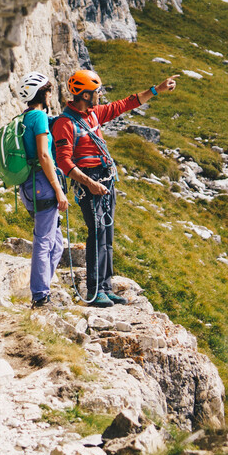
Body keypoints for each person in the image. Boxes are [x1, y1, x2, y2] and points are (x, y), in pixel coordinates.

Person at [52, 68, 178, 306]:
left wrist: (156, 90)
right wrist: (90, 184)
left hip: (105, 178)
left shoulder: (93, 114)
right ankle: (94, 290)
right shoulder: (65, 123)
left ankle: (106, 287)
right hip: (89, 180)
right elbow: (64, 161)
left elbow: (125, 104)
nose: (100, 94)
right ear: (86, 95)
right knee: (97, 232)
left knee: (106, 233)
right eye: (97, 91)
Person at [15, 72, 68, 307]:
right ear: (41, 94)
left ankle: (42, 287)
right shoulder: (38, 117)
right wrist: (58, 189)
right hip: (43, 185)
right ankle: (40, 296)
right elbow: (44, 155)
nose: (50, 96)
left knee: (57, 244)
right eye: (48, 92)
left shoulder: (22, 118)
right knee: (44, 241)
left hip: (27, 186)